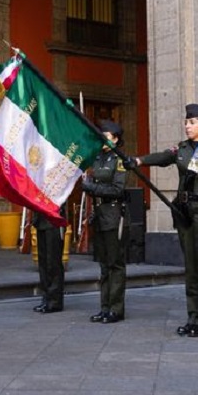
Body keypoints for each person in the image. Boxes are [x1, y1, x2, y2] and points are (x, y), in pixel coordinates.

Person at [131, 104, 198, 337]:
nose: (187, 126)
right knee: (192, 267)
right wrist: (138, 160)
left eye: (192, 122)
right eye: (186, 122)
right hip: (185, 212)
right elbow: (164, 157)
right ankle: (192, 316)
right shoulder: (182, 149)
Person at [83, 120, 128, 324]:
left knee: (114, 264)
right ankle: (104, 307)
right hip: (99, 213)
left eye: (107, 136)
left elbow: (117, 190)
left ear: (116, 139)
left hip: (112, 212)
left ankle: (116, 309)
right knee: (103, 264)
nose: (102, 138)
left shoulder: (119, 160)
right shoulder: (98, 157)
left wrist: (91, 187)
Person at [32, 209, 65, 314]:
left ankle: (54, 301)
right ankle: (46, 298)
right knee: (43, 262)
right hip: (41, 218)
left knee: (53, 262)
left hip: (54, 219)